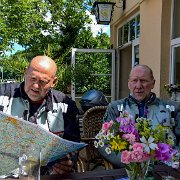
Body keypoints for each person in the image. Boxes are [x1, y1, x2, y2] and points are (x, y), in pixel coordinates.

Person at [0, 55, 80, 175]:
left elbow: (73, 144)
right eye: (32, 78)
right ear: (25, 73)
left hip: (47, 175)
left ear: (54, 82)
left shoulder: (66, 105)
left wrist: (67, 162)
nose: (36, 86)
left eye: (43, 81)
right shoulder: (2, 95)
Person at [99, 64, 180, 168]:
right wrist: (127, 160)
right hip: (128, 168)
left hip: (166, 167)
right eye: (134, 81)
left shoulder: (172, 108)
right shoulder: (116, 108)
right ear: (129, 84)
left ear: (153, 83)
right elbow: (104, 142)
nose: (138, 86)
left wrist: (173, 160)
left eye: (143, 81)